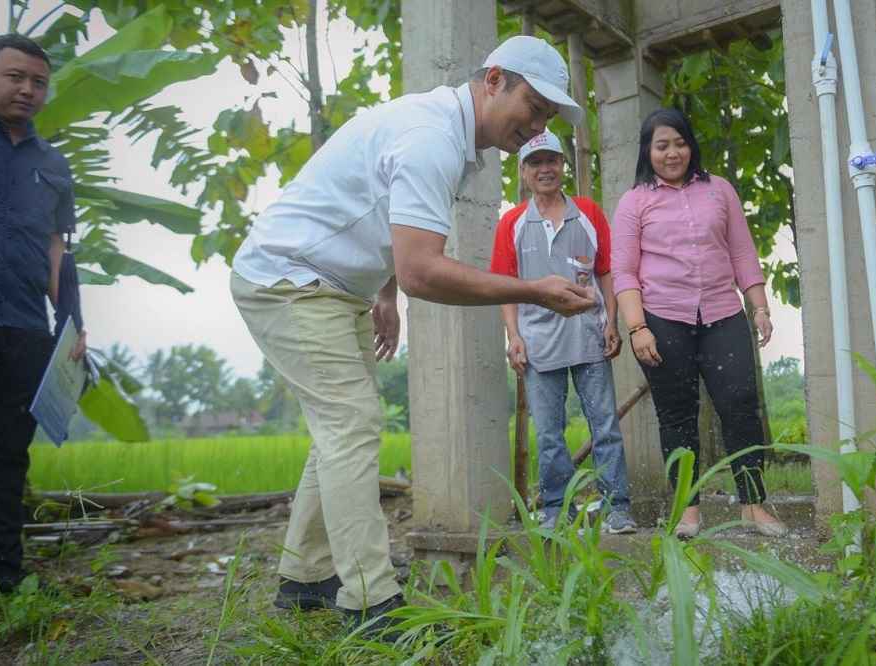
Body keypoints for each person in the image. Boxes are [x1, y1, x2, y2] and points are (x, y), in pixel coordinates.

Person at [230, 35, 595, 630]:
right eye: (534, 108)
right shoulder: (432, 138)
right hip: (288, 279)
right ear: (494, 80)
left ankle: (306, 576)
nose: (536, 129)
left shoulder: (440, 130)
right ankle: (371, 602)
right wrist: (533, 291)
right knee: (351, 424)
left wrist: (383, 292)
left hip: (333, 284)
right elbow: (422, 270)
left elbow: (380, 212)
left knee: (341, 427)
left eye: (547, 118)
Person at [0, 34, 87, 620]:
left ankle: (5, 571)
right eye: (14, 77)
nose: (27, 89)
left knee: (8, 455)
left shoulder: (51, 163)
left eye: (38, 82)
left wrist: (73, 322)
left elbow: (57, 248)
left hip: (27, 327)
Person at [611, 108, 787, 539]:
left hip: (723, 313)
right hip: (662, 318)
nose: (672, 153)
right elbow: (624, 272)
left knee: (740, 403)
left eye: (680, 143)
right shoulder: (634, 202)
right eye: (662, 146)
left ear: (691, 145)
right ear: (648, 151)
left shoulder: (719, 190)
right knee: (676, 415)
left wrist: (759, 307)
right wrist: (637, 328)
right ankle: (687, 511)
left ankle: (753, 505)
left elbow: (742, 252)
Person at [490, 129, 635, 534]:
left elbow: (606, 271)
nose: (545, 169)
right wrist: (513, 337)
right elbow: (504, 284)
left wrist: (612, 322)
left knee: (604, 425)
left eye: (551, 160)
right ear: (523, 172)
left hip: (588, 336)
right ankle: (557, 508)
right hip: (538, 342)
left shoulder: (588, 212)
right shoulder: (512, 223)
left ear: (563, 165)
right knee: (549, 433)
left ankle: (617, 507)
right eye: (535, 163)